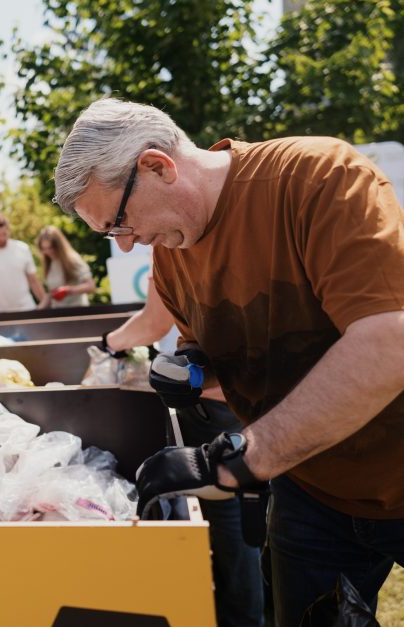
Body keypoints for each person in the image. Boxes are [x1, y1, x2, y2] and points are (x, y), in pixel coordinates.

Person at [54, 98, 404, 625]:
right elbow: (224, 357)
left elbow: (389, 339)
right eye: (110, 234)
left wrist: (240, 459)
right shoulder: (170, 257)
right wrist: (193, 371)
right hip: (312, 491)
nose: (125, 246)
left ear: (157, 166)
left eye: (118, 222)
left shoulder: (315, 177)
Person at [104, 277, 264, 627]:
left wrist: (109, 342)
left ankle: (244, 617)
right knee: (245, 512)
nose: (128, 240)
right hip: (223, 398)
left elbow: (153, 323)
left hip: (217, 405)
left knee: (230, 515)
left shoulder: (173, 245)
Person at [0, 214, 45, 313]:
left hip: (25, 308)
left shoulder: (23, 249)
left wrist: (45, 304)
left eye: (4, 234)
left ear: (9, 230)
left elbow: (33, 280)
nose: (2, 238)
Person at [35, 225, 96, 308]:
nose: (47, 252)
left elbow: (91, 286)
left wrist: (68, 290)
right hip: (58, 312)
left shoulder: (72, 259)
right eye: (44, 249)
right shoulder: (49, 263)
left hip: (77, 311)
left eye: (50, 248)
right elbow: (51, 294)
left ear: (58, 246)